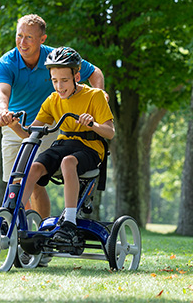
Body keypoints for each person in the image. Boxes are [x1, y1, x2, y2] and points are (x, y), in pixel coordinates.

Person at [0, 14, 107, 219]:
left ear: (42, 39)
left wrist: (100, 96)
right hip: (17, 122)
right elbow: (1, 92)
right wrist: (3, 113)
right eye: (19, 36)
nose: (22, 42)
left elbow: (95, 72)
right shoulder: (6, 62)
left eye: (29, 37)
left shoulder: (57, 59)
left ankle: (41, 229)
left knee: (36, 178)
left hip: (50, 124)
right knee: (15, 181)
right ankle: (20, 229)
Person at [8, 47, 115, 242]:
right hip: (63, 144)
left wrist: (93, 124)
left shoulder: (95, 96)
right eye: (54, 81)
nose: (59, 86)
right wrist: (15, 126)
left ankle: (70, 222)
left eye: (64, 80)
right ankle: (12, 218)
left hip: (90, 148)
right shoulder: (52, 100)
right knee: (34, 167)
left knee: (67, 162)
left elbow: (110, 132)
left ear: (77, 76)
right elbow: (29, 134)